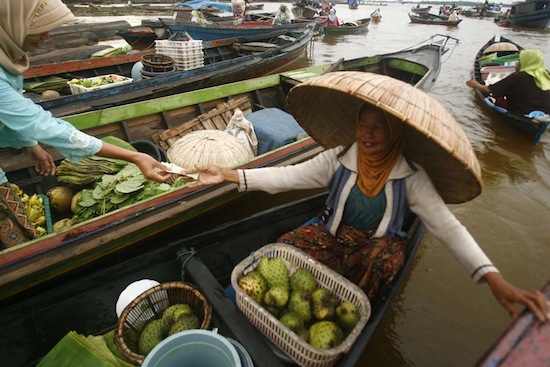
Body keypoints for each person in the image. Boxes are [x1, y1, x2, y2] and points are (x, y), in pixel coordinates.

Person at [183, 72, 550, 322]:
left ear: (394, 133)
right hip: (332, 235)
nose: (369, 134)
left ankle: (346, 308)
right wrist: (228, 174)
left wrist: (494, 279)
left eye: (379, 127)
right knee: (287, 244)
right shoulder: (339, 158)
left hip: (373, 246)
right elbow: (285, 177)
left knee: (386, 261)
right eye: (363, 124)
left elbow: (447, 227)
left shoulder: (412, 177)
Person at [0, 0, 172, 244]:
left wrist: (31, 144)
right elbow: (43, 124)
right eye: (40, 29)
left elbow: (14, 109)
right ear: (14, 25)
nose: (47, 37)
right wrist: (135, 157)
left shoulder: (7, 58)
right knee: (17, 245)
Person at [466, 49, 550, 116]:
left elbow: (488, 90)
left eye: (519, 62)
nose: (517, 64)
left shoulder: (517, 76)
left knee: (499, 99)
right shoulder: (546, 75)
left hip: (521, 112)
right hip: (546, 113)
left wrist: (475, 84)